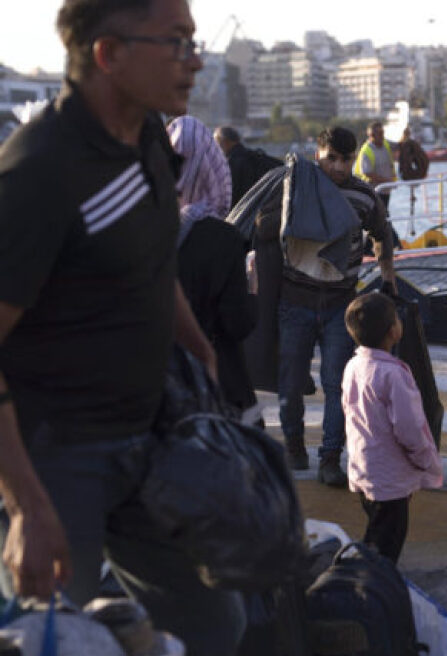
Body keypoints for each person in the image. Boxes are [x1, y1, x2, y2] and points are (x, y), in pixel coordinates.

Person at [0, 0, 245, 653]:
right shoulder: (38, 171)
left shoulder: (146, 144)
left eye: (195, 41)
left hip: (150, 441)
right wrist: (25, 506)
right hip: (58, 459)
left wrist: (200, 352)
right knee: (52, 637)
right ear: (109, 55)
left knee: (218, 626)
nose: (195, 61)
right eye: (177, 43)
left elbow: (151, 263)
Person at [257, 126, 396, 486]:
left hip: (340, 304)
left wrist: (388, 276)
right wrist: (292, 213)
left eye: (345, 160)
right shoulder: (296, 186)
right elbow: (262, 225)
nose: (338, 166)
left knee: (337, 384)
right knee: (289, 382)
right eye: (331, 157)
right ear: (317, 152)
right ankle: (294, 447)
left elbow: (382, 233)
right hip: (295, 300)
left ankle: (331, 457)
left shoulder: (364, 196)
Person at [169, 115, 260, 424]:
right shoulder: (223, 239)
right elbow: (237, 324)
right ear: (212, 168)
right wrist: (253, 289)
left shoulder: (144, 228)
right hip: (216, 384)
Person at [342, 292, 443, 563]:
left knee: (377, 532)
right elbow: (409, 429)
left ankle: (369, 583)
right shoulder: (394, 374)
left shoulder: (353, 366)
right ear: (392, 332)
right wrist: (425, 459)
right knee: (384, 547)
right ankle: (370, 591)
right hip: (390, 478)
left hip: (364, 469)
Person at [213, 124, 282, 207]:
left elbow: (230, 197)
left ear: (225, 142)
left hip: (242, 214)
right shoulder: (255, 157)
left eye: (216, 143)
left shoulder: (231, 164)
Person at [354, 120, 397, 215]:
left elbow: (397, 146)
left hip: (385, 190)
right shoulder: (366, 151)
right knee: (381, 216)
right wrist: (387, 181)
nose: (382, 136)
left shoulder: (385, 144)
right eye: (380, 134)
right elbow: (367, 172)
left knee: (384, 214)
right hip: (373, 191)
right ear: (372, 135)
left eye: (383, 133)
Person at [397, 126, 430, 220]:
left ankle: (412, 196)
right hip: (408, 175)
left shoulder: (409, 144)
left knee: (411, 178)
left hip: (410, 175)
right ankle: (412, 196)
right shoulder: (405, 144)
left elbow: (421, 159)